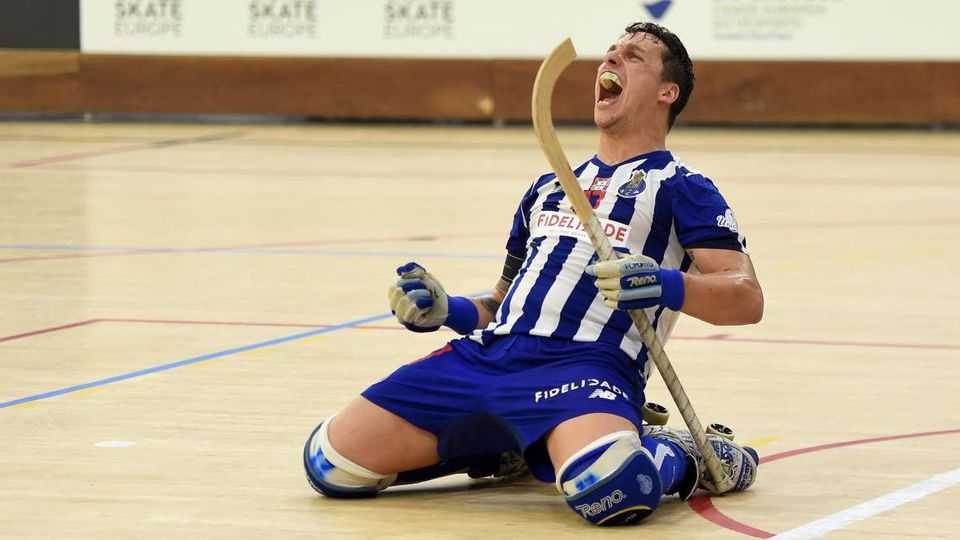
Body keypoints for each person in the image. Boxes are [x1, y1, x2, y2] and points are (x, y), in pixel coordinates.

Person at [303, 21, 764, 526]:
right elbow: (501, 302)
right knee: (330, 464)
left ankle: (691, 455)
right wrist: (446, 309)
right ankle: (507, 447)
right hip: (489, 358)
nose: (610, 61)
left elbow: (745, 298)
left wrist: (664, 282)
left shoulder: (683, 186)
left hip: (586, 367)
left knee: (612, 490)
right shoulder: (547, 186)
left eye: (632, 57)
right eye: (609, 53)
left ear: (667, 92)